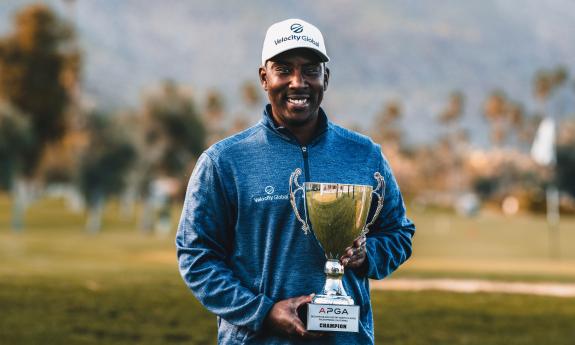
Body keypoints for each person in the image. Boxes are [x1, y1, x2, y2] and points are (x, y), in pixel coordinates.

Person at [176, 18, 415, 344]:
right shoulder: (223, 161)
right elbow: (197, 256)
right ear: (264, 77)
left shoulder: (364, 155)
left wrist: (366, 255)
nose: (297, 82)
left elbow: (399, 233)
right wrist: (263, 311)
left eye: (310, 70)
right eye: (284, 69)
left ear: (325, 78)